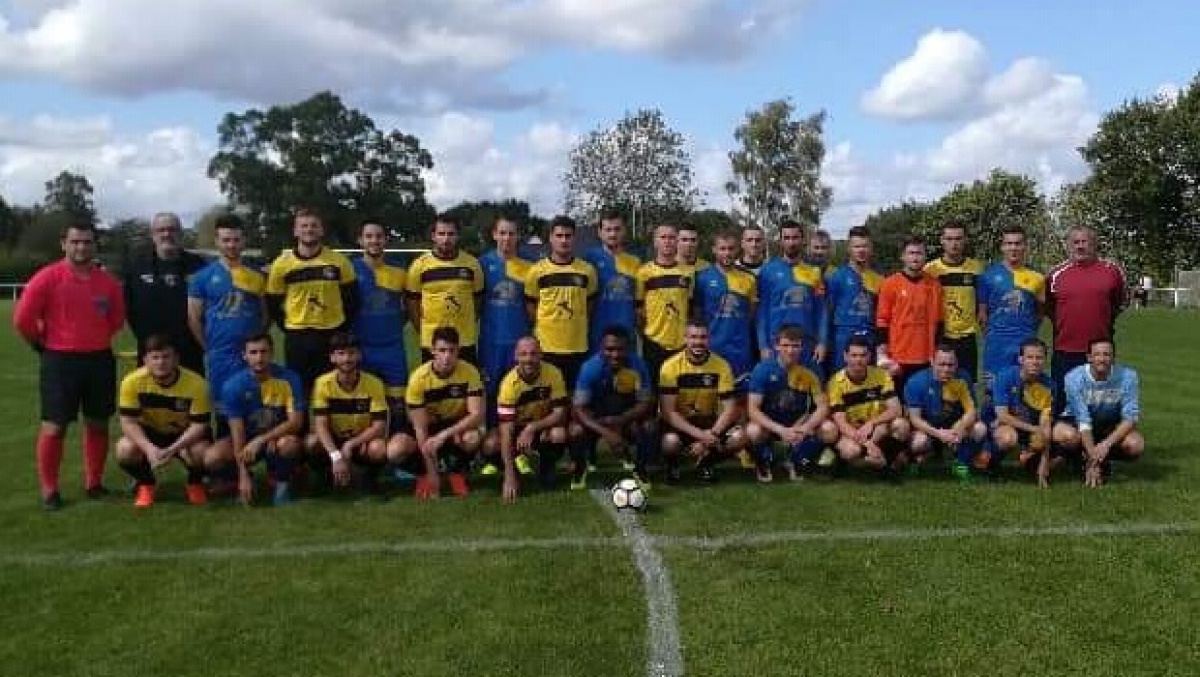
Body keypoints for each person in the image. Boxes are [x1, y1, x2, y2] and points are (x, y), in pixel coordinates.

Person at [13, 222, 125, 509]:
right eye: (75, 242)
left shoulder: (108, 283)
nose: (81, 247)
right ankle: (50, 489)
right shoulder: (47, 277)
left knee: (98, 423)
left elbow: (116, 321)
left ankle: (94, 483)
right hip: (60, 361)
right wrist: (41, 344)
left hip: (99, 360)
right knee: (54, 427)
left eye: (87, 242)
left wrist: (93, 338)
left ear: (94, 245)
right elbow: (23, 319)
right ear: (64, 244)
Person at [266, 209, 358, 395]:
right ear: (295, 231)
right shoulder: (281, 264)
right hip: (298, 337)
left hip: (331, 334)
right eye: (304, 226)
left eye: (314, 225)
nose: (309, 230)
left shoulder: (339, 261)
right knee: (300, 392)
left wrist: (340, 328)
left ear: (321, 230)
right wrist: (290, 327)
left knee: (331, 391)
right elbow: (273, 303)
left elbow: (352, 299)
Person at [115, 334, 214, 508]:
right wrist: (149, 448)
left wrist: (173, 449)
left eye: (166, 357)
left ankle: (195, 483)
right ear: (145, 360)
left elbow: (200, 425)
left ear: (176, 359)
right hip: (151, 432)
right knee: (124, 449)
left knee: (203, 452)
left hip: (184, 435)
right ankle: (146, 484)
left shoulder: (197, 384)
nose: (161, 363)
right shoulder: (131, 382)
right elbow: (128, 422)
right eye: (155, 357)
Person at [186, 213, 267, 425]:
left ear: (244, 240)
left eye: (236, 240)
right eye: (226, 240)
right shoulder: (202, 277)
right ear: (217, 241)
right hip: (220, 356)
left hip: (252, 355)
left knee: (256, 412)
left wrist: (258, 342)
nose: (231, 245)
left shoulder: (257, 275)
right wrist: (209, 348)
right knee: (225, 413)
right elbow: (194, 318)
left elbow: (265, 314)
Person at [209, 333, 305, 506]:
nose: (259, 358)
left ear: (272, 353)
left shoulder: (289, 379)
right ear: (244, 355)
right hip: (247, 441)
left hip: (276, 438)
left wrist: (262, 439)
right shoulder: (233, 386)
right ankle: (242, 481)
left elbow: (295, 422)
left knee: (290, 444)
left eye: (263, 352)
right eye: (253, 352)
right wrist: (243, 474)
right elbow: (237, 434)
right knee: (213, 457)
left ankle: (281, 485)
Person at [1046, 225, 1126, 417]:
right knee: (1063, 403)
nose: (1080, 246)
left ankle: (1101, 435)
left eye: (1085, 242)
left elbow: (1119, 303)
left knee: (1102, 404)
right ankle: (1063, 435)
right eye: (1076, 242)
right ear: (1068, 245)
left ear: (1094, 244)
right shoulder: (1055, 274)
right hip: (1066, 350)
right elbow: (1048, 307)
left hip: (1100, 352)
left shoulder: (1112, 271)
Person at [401, 327, 486, 499]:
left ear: (458, 351)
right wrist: (431, 473)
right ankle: (424, 473)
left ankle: (456, 472)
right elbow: (420, 428)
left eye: (451, 351)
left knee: (472, 438)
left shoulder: (470, 372)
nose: (447, 356)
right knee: (396, 449)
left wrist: (444, 435)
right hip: (428, 426)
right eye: (442, 350)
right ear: (432, 351)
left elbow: (476, 415)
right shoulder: (418, 378)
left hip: (455, 426)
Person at [745, 326, 837, 483]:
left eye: (795, 346)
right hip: (771, 425)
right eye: (785, 345)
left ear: (802, 347)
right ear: (776, 346)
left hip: (800, 423)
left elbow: (823, 406)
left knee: (830, 430)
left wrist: (805, 428)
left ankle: (796, 460)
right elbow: (752, 410)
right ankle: (765, 460)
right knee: (753, 430)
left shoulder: (812, 368)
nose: (790, 351)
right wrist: (780, 430)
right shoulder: (762, 369)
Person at [658, 321, 747, 483]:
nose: (698, 342)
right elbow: (668, 412)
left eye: (703, 337)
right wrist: (700, 436)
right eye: (693, 337)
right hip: (682, 424)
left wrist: (711, 435)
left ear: (708, 339)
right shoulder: (670, 366)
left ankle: (706, 462)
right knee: (669, 442)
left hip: (709, 424)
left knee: (740, 437)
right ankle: (673, 466)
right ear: (685, 339)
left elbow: (730, 409)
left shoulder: (721, 365)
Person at [483, 337, 570, 500]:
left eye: (533, 354)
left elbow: (560, 413)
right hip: (515, 430)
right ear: (516, 356)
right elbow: (506, 433)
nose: (528, 359)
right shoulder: (508, 385)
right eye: (523, 354)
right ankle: (513, 471)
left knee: (559, 434)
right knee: (490, 445)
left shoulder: (553, 373)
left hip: (541, 426)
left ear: (541, 355)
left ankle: (546, 467)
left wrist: (532, 427)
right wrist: (509, 476)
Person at [1053, 338, 1144, 488]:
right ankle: (1078, 458)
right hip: (1076, 423)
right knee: (1065, 435)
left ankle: (1103, 459)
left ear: (1113, 357)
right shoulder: (1073, 377)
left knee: (1135, 444)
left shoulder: (1128, 376)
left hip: (1109, 424)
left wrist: (1106, 445)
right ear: (1089, 357)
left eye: (1106, 354)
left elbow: (1130, 417)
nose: (1102, 359)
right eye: (1097, 354)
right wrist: (1092, 459)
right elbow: (1083, 419)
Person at [124, 212, 208, 373]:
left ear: (181, 233)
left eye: (172, 229)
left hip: (190, 354)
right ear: (153, 235)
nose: (166, 234)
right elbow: (129, 309)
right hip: (152, 354)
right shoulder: (138, 266)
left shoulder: (198, 265)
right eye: (161, 230)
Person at [572, 326, 657, 484]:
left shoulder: (638, 366)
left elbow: (645, 402)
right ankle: (581, 466)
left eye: (620, 349)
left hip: (624, 415)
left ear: (628, 348)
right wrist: (606, 432)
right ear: (601, 348)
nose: (615, 355)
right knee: (576, 430)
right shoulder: (590, 368)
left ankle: (641, 468)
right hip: (597, 417)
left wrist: (621, 420)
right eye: (610, 349)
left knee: (649, 425)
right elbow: (579, 409)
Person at [305, 332, 388, 493]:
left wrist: (351, 444)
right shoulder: (322, 383)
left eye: (351, 353)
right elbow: (320, 425)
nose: (347, 359)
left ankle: (368, 477)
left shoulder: (374, 383)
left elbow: (379, 426)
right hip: (334, 440)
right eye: (341, 353)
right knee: (311, 442)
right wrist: (336, 456)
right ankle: (325, 475)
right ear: (332, 357)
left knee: (378, 448)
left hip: (360, 441)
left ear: (359, 355)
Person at [524, 216, 597, 390]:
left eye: (568, 236)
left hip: (577, 346)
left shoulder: (587, 270)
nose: (563, 240)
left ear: (574, 238)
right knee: (549, 395)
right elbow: (531, 306)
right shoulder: (537, 271)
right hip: (547, 347)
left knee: (575, 396)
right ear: (551, 238)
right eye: (559, 236)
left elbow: (590, 304)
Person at [977, 225, 1044, 405]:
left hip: (1025, 343)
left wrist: (1028, 332)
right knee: (993, 392)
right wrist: (993, 336)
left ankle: (1021, 421)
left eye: (1018, 243)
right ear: (1002, 247)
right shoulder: (988, 276)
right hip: (997, 345)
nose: (1013, 248)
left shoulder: (1037, 278)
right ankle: (990, 421)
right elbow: (982, 314)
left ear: (1025, 246)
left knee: (1025, 391)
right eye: (1009, 243)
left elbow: (1040, 313)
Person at [350, 221, 409, 424]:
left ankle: (398, 441)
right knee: (364, 406)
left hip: (393, 348)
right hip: (361, 347)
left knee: (398, 406)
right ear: (360, 240)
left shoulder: (400, 271)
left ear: (386, 240)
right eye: (369, 236)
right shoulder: (349, 269)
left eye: (379, 236)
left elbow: (409, 307)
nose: (374, 241)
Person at [406, 214, 484, 364]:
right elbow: (412, 303)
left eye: (451, 234)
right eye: (441, 234)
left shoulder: (472, 264)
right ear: (433, 236)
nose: (446, 239)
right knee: (434, 379)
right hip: (432, 342)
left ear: (458, 236)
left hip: (464, 340)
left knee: (467, 379)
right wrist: (422, 329)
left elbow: (478, 299)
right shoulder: (419, 265)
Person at [827, 336, 910, 476]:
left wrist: (871, 423)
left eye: (863, 355)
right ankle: (879, 462)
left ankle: (883, 461)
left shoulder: (882, 375)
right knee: (850, 451)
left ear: (870, 356)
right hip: (852, 431)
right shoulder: (835, 383)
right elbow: (841, 423)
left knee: (901, 425)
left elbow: (896, 410)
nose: (858, 360)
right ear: (845, 356)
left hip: (876, 428)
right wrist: (867, 443)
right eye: (854, 355)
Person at [903, 344, 987, 482]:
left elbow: (971, 411)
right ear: (932, 362)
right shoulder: (916, 382)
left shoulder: (963, 377)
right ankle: (914, 461)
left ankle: (960, 462)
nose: (946, 369)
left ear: (957, 364)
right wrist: (938, 434)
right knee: (919, 442)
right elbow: (915, 419)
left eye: (950, 365)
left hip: (952, 428)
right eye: (941, 364)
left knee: (980, 428)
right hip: (927, 430)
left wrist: (958, 428)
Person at [756, 219, 827, 376]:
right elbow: (762, 312)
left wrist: (822, 342)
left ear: (802, 240)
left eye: (795, 238)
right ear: (780, 241)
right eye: (787, 238)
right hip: (777, 346)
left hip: (806, 345)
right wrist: (763, 346)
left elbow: (821, 312)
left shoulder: (814, 273)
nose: (791, 242)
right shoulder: (767, 271)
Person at [876, 237, 943, 394]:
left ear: (925, 256)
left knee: (921, 402)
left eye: (919, 253)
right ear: (903, 256)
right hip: (898, 357)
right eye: (911, 253)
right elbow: (882, 320)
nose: (915, 257)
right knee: (896, 402)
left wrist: (936, 353)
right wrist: (883, 355)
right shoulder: (890, 283)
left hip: (925, 357)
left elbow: (939, 322)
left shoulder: (934, 285)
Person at [479, 215, 532, 410]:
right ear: (494, 234)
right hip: (490, 343)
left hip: (520, 342)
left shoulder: (531, 265)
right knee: (491, 392)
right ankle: (493, 428)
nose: (507, 238)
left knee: (519, 393)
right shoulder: (482, 264)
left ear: (518, 236)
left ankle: (517, 429)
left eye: (511, 233)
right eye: (502, 233)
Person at [990, 339, 1056, 488]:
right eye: (1030, 357)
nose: (1035, 362)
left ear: (1045, 360)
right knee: (1007, 438)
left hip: (1030, 428)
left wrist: (1044, 462)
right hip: (1004, 425)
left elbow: (1045, 423)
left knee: (1045, 436)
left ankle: (1032, 463)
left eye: (1039, 358)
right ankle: (992, 465)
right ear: (1021, 359)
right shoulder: (1005, 377)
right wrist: (1034, 429)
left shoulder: (1049, 385)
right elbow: (1002, 416)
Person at [694, 231, 758, 385]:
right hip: (712, 347)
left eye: (731, 248)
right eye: (722, 249)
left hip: (741, 349)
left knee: (741, 393)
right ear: (714, 250)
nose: (727, 253)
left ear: (737, 250)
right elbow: (697, 314)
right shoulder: (702, 278)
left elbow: (752, 313)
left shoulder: (749, 278)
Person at [924, 222, 983, 382]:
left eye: (958, 239)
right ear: (942, 240)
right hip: (941, 337)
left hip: (967, 337)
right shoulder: (930, 270)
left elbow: (982, 301)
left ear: (965, 240)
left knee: (967, 384)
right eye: (949, 239)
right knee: (940, 384)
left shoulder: (976, 268)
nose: (954, 244)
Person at [636, 224, 694, 383]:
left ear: (677, 241)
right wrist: (646, 334)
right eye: (663, 237)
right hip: (654, 342)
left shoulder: (688, 272)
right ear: (655, 242)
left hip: (680, 343)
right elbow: (639, 309)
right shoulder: (644, 272)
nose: (667, 241)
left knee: (679, 389)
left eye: (672, 237)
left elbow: (690, 307)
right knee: (653, 389)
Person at [825, 226, 884, 372]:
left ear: (871, 248)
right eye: (857, 246)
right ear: (849, 248)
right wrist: (825, 342)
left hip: (869, 340)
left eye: (865, 246)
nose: (861, 250)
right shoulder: (836, 277)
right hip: (843, 339)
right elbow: (827, 313)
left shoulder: (879, 279)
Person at [583, 210, 641, 351]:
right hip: (598, 334)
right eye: (608, 230)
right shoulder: (589, 259)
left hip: (626, 333)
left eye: (617, 229)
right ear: (600, 232)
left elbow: (638, 302)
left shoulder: (635, 262)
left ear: (624, 231)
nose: (613, 234)